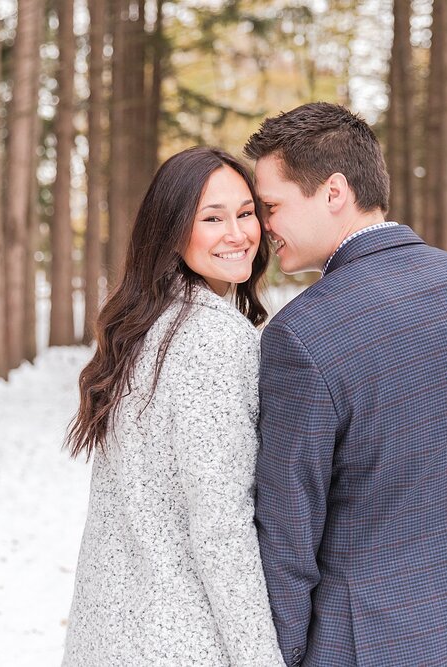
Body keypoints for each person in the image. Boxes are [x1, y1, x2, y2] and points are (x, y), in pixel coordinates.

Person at [245, 102, 447, 666]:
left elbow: (287, 542)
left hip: (368, 646)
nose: (264, 227)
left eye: (271, 205)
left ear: (334, 191)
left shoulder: (302, 335)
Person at [61, 147, 285, 667]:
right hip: (179, 639)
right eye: (212, 218)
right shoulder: (212, 337)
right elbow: (222, 525)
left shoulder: (144, 326)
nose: (237, 233)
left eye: (246, 212)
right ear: (172, 228)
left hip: (112, 633)